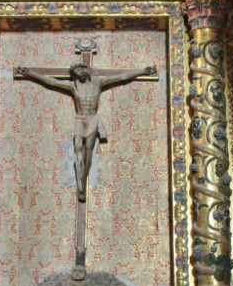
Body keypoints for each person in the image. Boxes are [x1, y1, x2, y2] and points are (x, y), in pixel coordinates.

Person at [16, 60, 156, 201]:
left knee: (88, 153)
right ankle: (80, 187)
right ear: (74, 74)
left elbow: (121, 77)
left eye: (81, 70)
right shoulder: (73, 86)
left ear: (84, 69)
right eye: (76, 72)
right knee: (77, 150)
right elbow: (51, 82)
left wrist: (143, 71)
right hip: (80, 119)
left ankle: (84, 179)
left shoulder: (98, 82)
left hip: (92, 120)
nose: (80, 73)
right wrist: (29, 73)